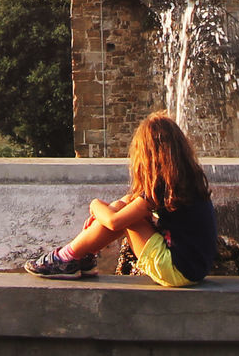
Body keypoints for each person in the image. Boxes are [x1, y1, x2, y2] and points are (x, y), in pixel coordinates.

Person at [24, 111, 216, 287]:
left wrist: (95, 205)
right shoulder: (185, 180)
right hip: (194, 269)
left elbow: (115, 222)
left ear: (148, 155)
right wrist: (112, 210)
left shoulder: (160, 188)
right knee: (121, 206)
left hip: (176, 271)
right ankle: (83, 256)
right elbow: (129, 202)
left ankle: (66, 258)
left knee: (123, 218)